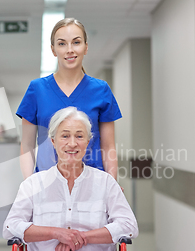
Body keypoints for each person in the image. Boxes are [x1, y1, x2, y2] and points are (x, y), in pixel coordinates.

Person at [3, 107, 138, 251]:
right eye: (65, 136)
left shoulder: (105, 183)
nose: (72, 143)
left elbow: (129, 226)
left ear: (88, 142)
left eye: (79, 136)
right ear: (53, 141)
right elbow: (11, 227)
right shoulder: (33, 184)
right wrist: (56, 233)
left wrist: (81, 237)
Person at [17, 18, 122, 181]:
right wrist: (29, 185)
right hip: (47, 186)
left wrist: (111, 185)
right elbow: (27, 146)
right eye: (62, 44)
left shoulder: (101, 90)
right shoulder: (37, 90)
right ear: (53, 50)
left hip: (93, 186)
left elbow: (108, 147)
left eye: (76, 42)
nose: (70, 50)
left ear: (86, 47)